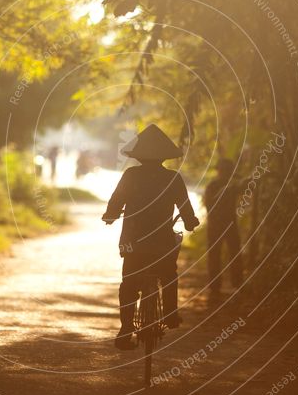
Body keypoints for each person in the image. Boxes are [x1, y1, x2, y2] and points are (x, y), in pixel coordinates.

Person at [102, 124, 200, 350]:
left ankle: (126, 328)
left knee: (128, 284)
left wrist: (110, 216)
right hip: (161, 243)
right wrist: (190, 221)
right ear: (164, 156)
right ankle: (170, 314)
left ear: (139, 155)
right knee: (168, 275)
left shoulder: (131, 175)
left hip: (133, 242)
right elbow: (185, 207)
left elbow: (117, 200)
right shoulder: (173, 178)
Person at [203, 158, 245, 295]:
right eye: (224, 170)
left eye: (228, 170)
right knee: (217, 255)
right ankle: (217, 285)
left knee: (232, 253)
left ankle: (236, 283)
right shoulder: (216, 186)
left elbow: (245, 185)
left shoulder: (231, 185)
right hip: (218, 225)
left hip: (227, 224)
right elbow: (209, 205)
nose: (225, 173)